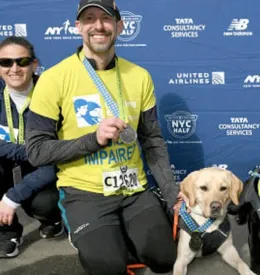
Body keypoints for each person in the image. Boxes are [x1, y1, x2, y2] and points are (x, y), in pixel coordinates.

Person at [24, 0, 186, 274]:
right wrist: (92, 139)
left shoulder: (140, 76)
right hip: (84, 193)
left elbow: (152, 141)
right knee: (110, 267)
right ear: (78, 27)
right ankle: (94, 236)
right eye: (89, 18)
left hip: (134, 189)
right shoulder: (53, 79)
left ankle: (120, 233)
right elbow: (37, 151)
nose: (98, 25)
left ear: (119, 26)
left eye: (106, 18)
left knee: (164, 259)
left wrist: (172, 194)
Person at [0, 36, 64, 258]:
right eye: (6, 62)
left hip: (43, 168)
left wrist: (12, 197)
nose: (14, 69)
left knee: (43, 202)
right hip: (8, 163)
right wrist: (31, 149)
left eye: (22, 62)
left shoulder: (52, 95)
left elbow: (54, 156)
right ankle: (6, 232)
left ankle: (52, 219)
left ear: (34, 64)